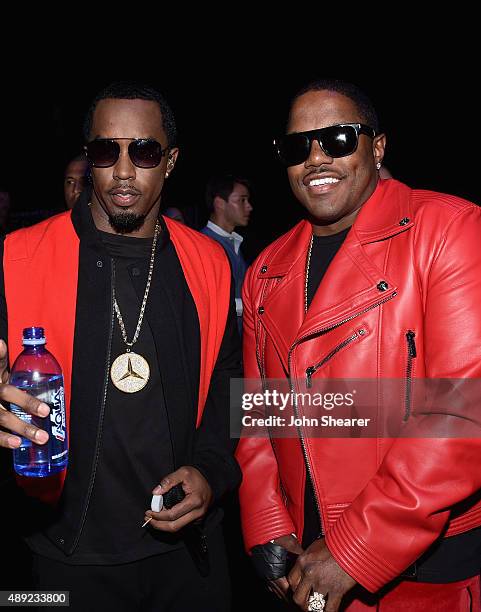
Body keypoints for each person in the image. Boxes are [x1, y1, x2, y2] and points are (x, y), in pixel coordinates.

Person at [236, 79, 481, 611]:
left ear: (378, 147)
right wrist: (265, 524)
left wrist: (354, 549)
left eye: (339, 139)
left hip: (422, 572)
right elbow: (258, 415)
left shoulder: (448, 229)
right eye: (298, 147)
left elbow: (462, 416)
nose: (316, 159)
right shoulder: (266, 271)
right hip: (305, 563)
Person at [0, 81, 241, 612]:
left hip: (187, 556)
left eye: (146, 151)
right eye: (107, 151)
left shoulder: (210, 264)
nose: (125, 170)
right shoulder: (16, 259)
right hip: (61, 558)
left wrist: (211, 472)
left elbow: (229, 385)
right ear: (90, 160)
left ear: (171, 160)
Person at [201, 175, 253, 329]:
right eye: (242, 200)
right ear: (219, 204)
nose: (249, 206)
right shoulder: (204, 244)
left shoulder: (235, 243)